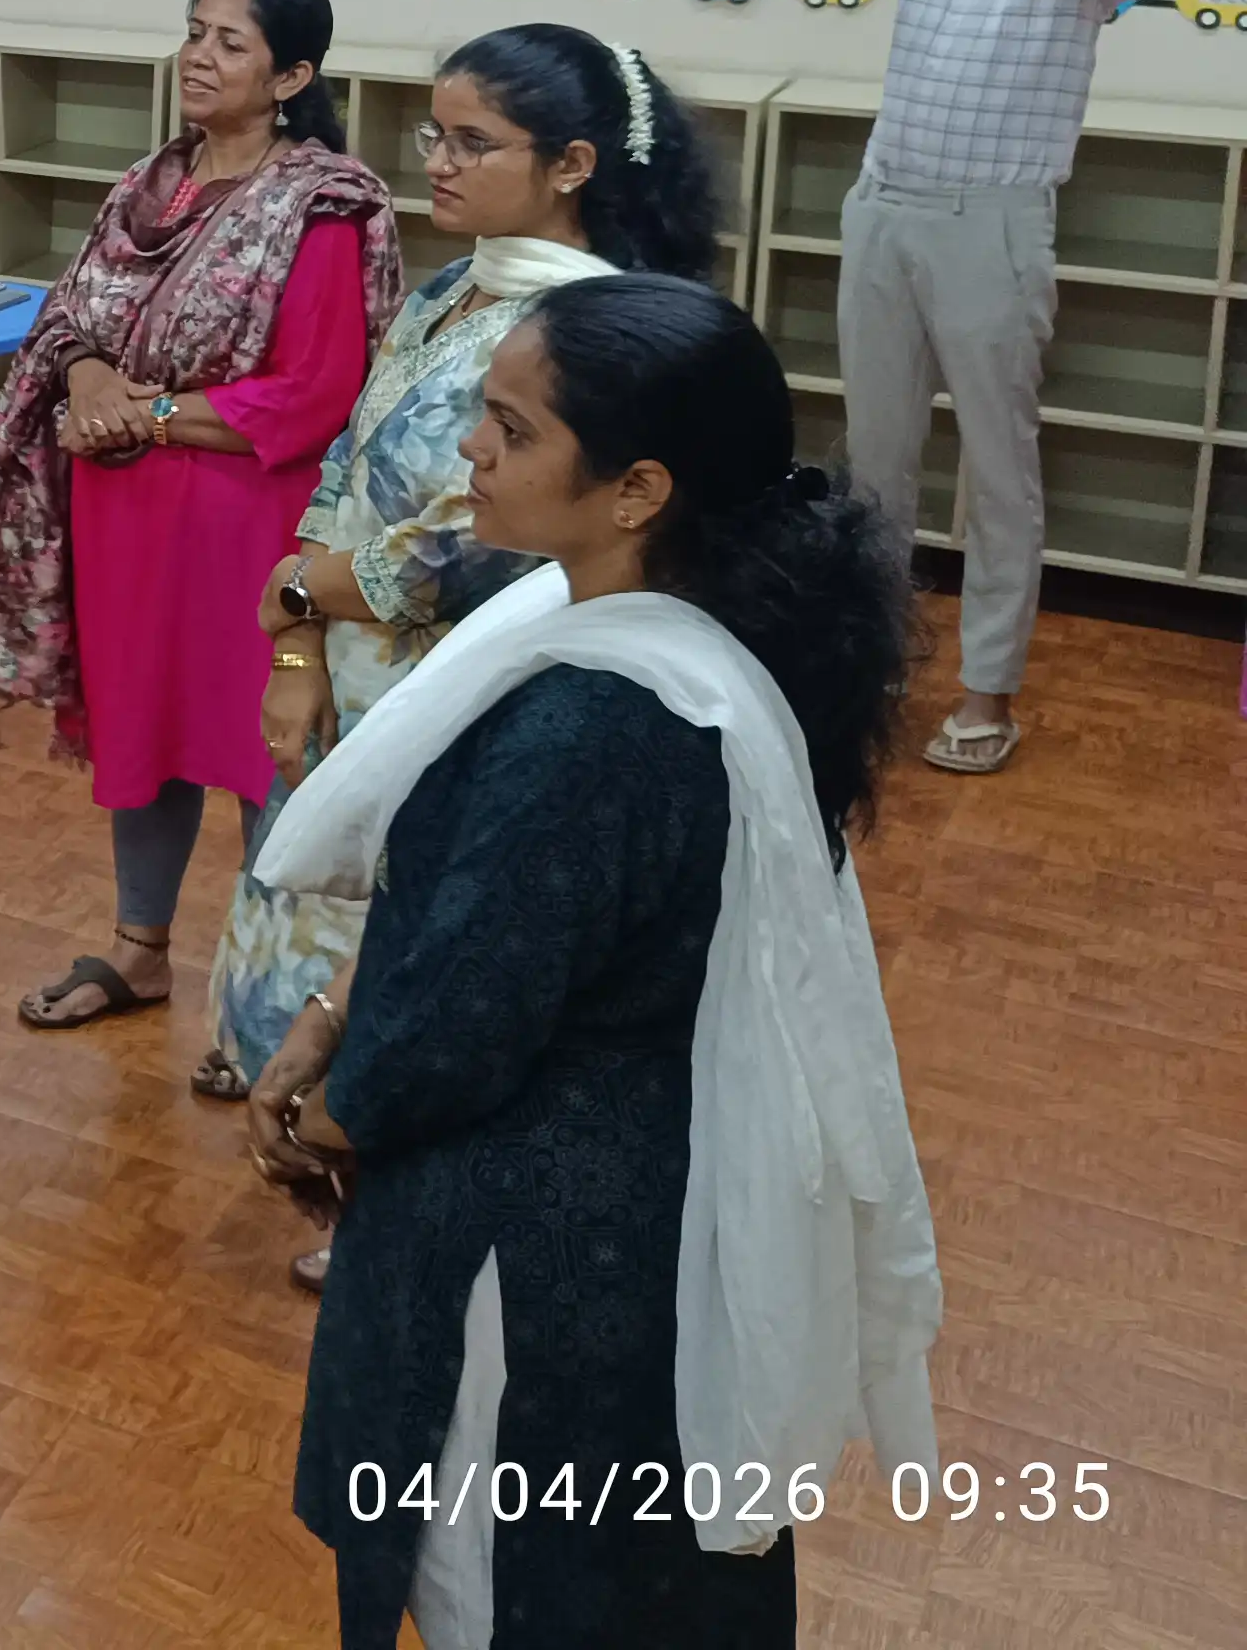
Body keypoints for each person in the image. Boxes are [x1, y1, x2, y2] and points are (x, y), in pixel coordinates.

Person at [252, 275, 938, 1649]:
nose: (471, 453)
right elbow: (506, 924)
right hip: (638, 1188)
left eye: (510, 429)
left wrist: (330, 1112)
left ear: (636, 490)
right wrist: (341, 1002)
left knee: (504, 1585)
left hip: (539, 1248)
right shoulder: (703, 630)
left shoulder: (597, 726)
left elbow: (463, 1017)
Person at [205, 22, 724, 1108]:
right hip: (340, 675)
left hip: (458, 695)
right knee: (299, 917)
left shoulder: (594, 330)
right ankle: (300, 1126)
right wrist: (295, 650)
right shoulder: (450, 289)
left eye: (471, 143)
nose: (434, 162)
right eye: (432, 135)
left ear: (570, 166)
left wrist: (298, 592)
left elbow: (477, 550)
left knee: (411, 954)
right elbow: (344, 462)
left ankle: (370, 1190)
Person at [0, 0, 401, 1031]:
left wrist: (143, 417)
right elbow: (70, 316)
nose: (199, 57)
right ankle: (138, 951)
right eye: (194, 34)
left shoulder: (322, 206)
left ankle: (268, 1000)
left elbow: (312, 392)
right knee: (144, 731)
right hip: (126, 518)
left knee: (260, 748)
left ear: (290, 75)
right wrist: (85, 379)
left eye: (231, 44)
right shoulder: (148, 187)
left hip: (245, 520)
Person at [758, 0, 1156, 775]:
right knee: (876, 459)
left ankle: (987, 693)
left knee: (999, 470)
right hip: (885, 206)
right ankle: (874, 653)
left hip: (995, 223)